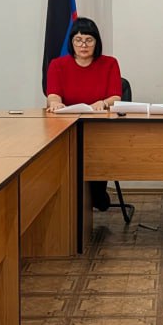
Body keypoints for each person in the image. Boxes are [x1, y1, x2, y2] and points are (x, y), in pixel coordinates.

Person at [45, 16, 122, 211]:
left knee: (94, 153)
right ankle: (71, 200)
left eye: (89, 40)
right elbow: (53, 95)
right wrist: (55, 103)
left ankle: (96, 192)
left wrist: (103, 103)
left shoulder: (109, 63)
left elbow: (116, 96)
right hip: (67, 127)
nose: (83, 45)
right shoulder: (57, 64)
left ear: (97, 42)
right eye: (78, 40)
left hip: (99, 128)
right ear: (71, 43)